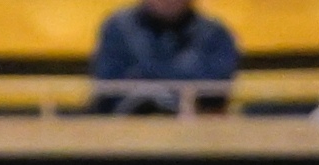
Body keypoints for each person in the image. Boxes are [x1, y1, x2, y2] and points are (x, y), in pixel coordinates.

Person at [88, 0, 239, 115]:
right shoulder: (117, 29)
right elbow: (107, 83)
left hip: (194, 131)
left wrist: (145, 76)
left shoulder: (215, 34)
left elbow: (216, 90)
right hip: (123, 128)